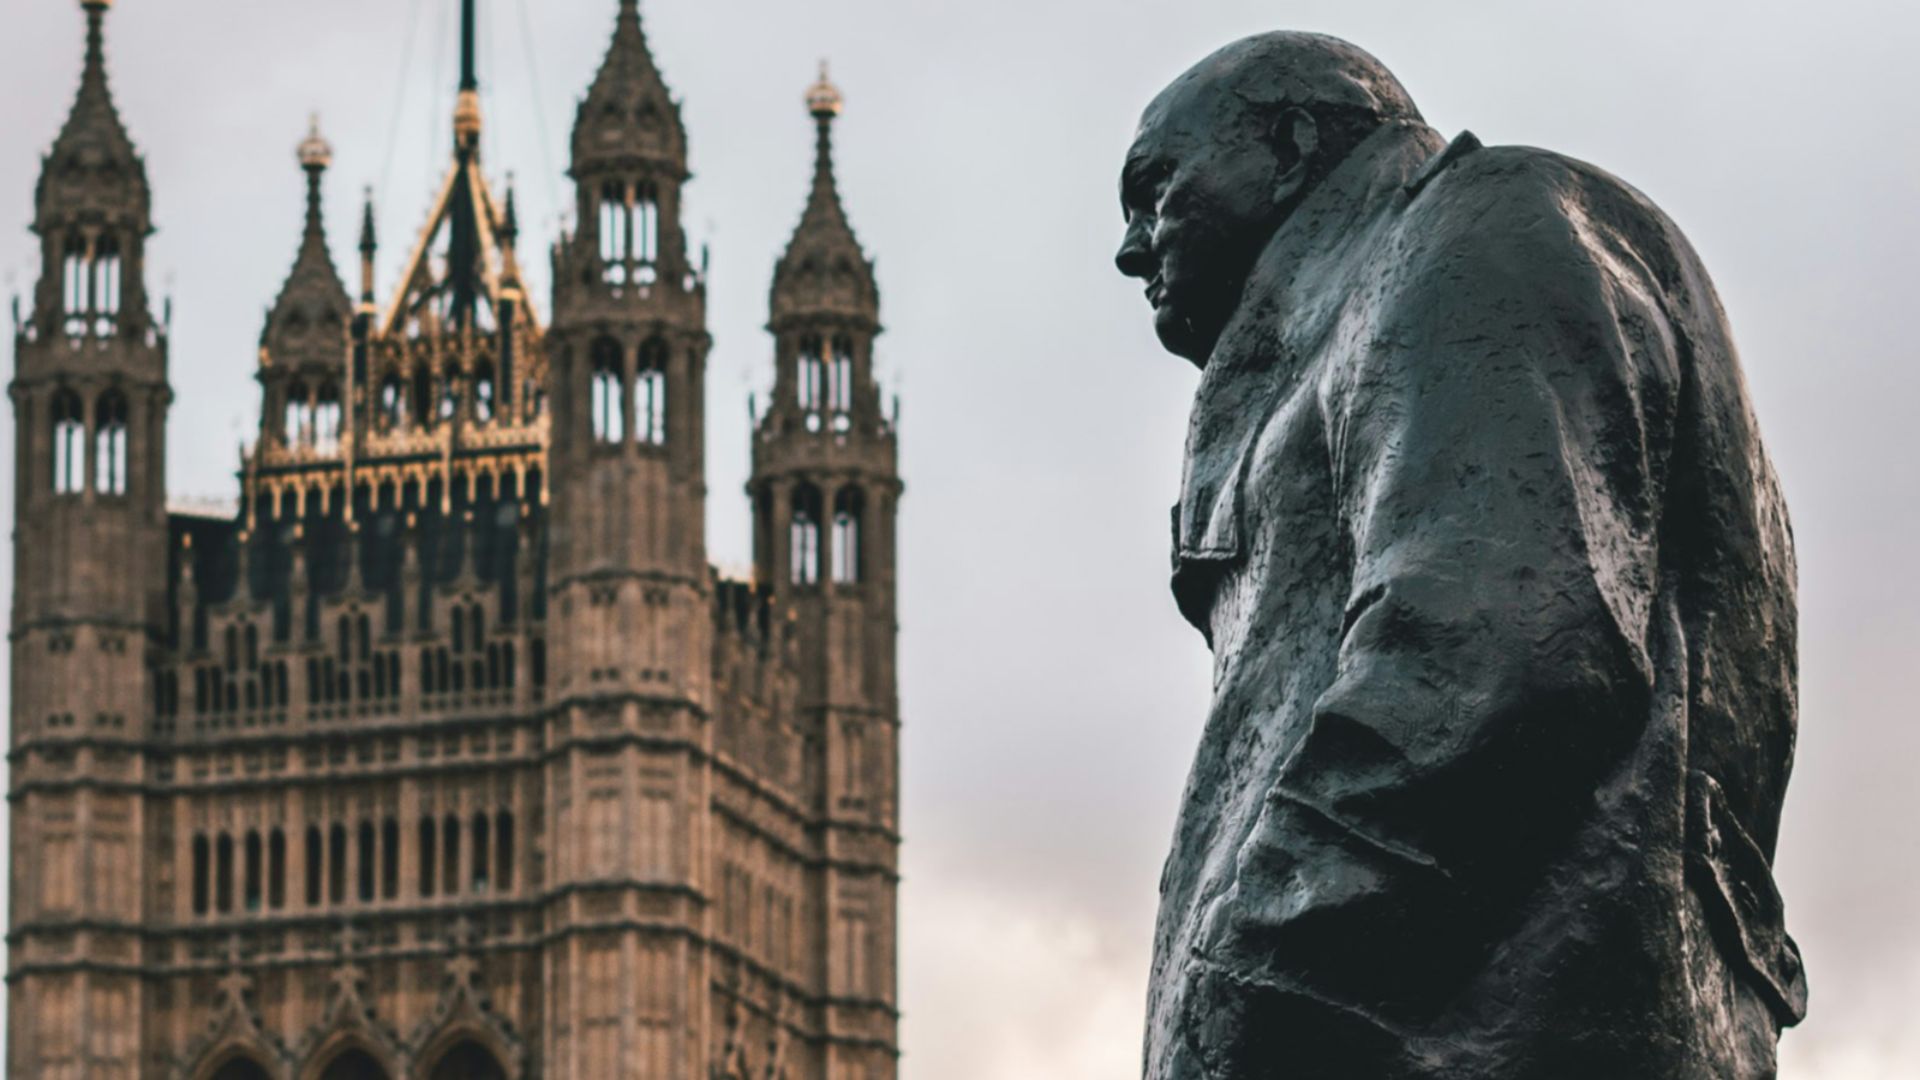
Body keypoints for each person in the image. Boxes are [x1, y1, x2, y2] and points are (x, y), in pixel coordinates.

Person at [1115, 31, 1804, 1079]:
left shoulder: (1478, 229)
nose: (1131, 246)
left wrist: (1241, 985)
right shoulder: (1354, 317)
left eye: (1155, 187)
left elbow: (1500, 648)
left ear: (1296, 143)